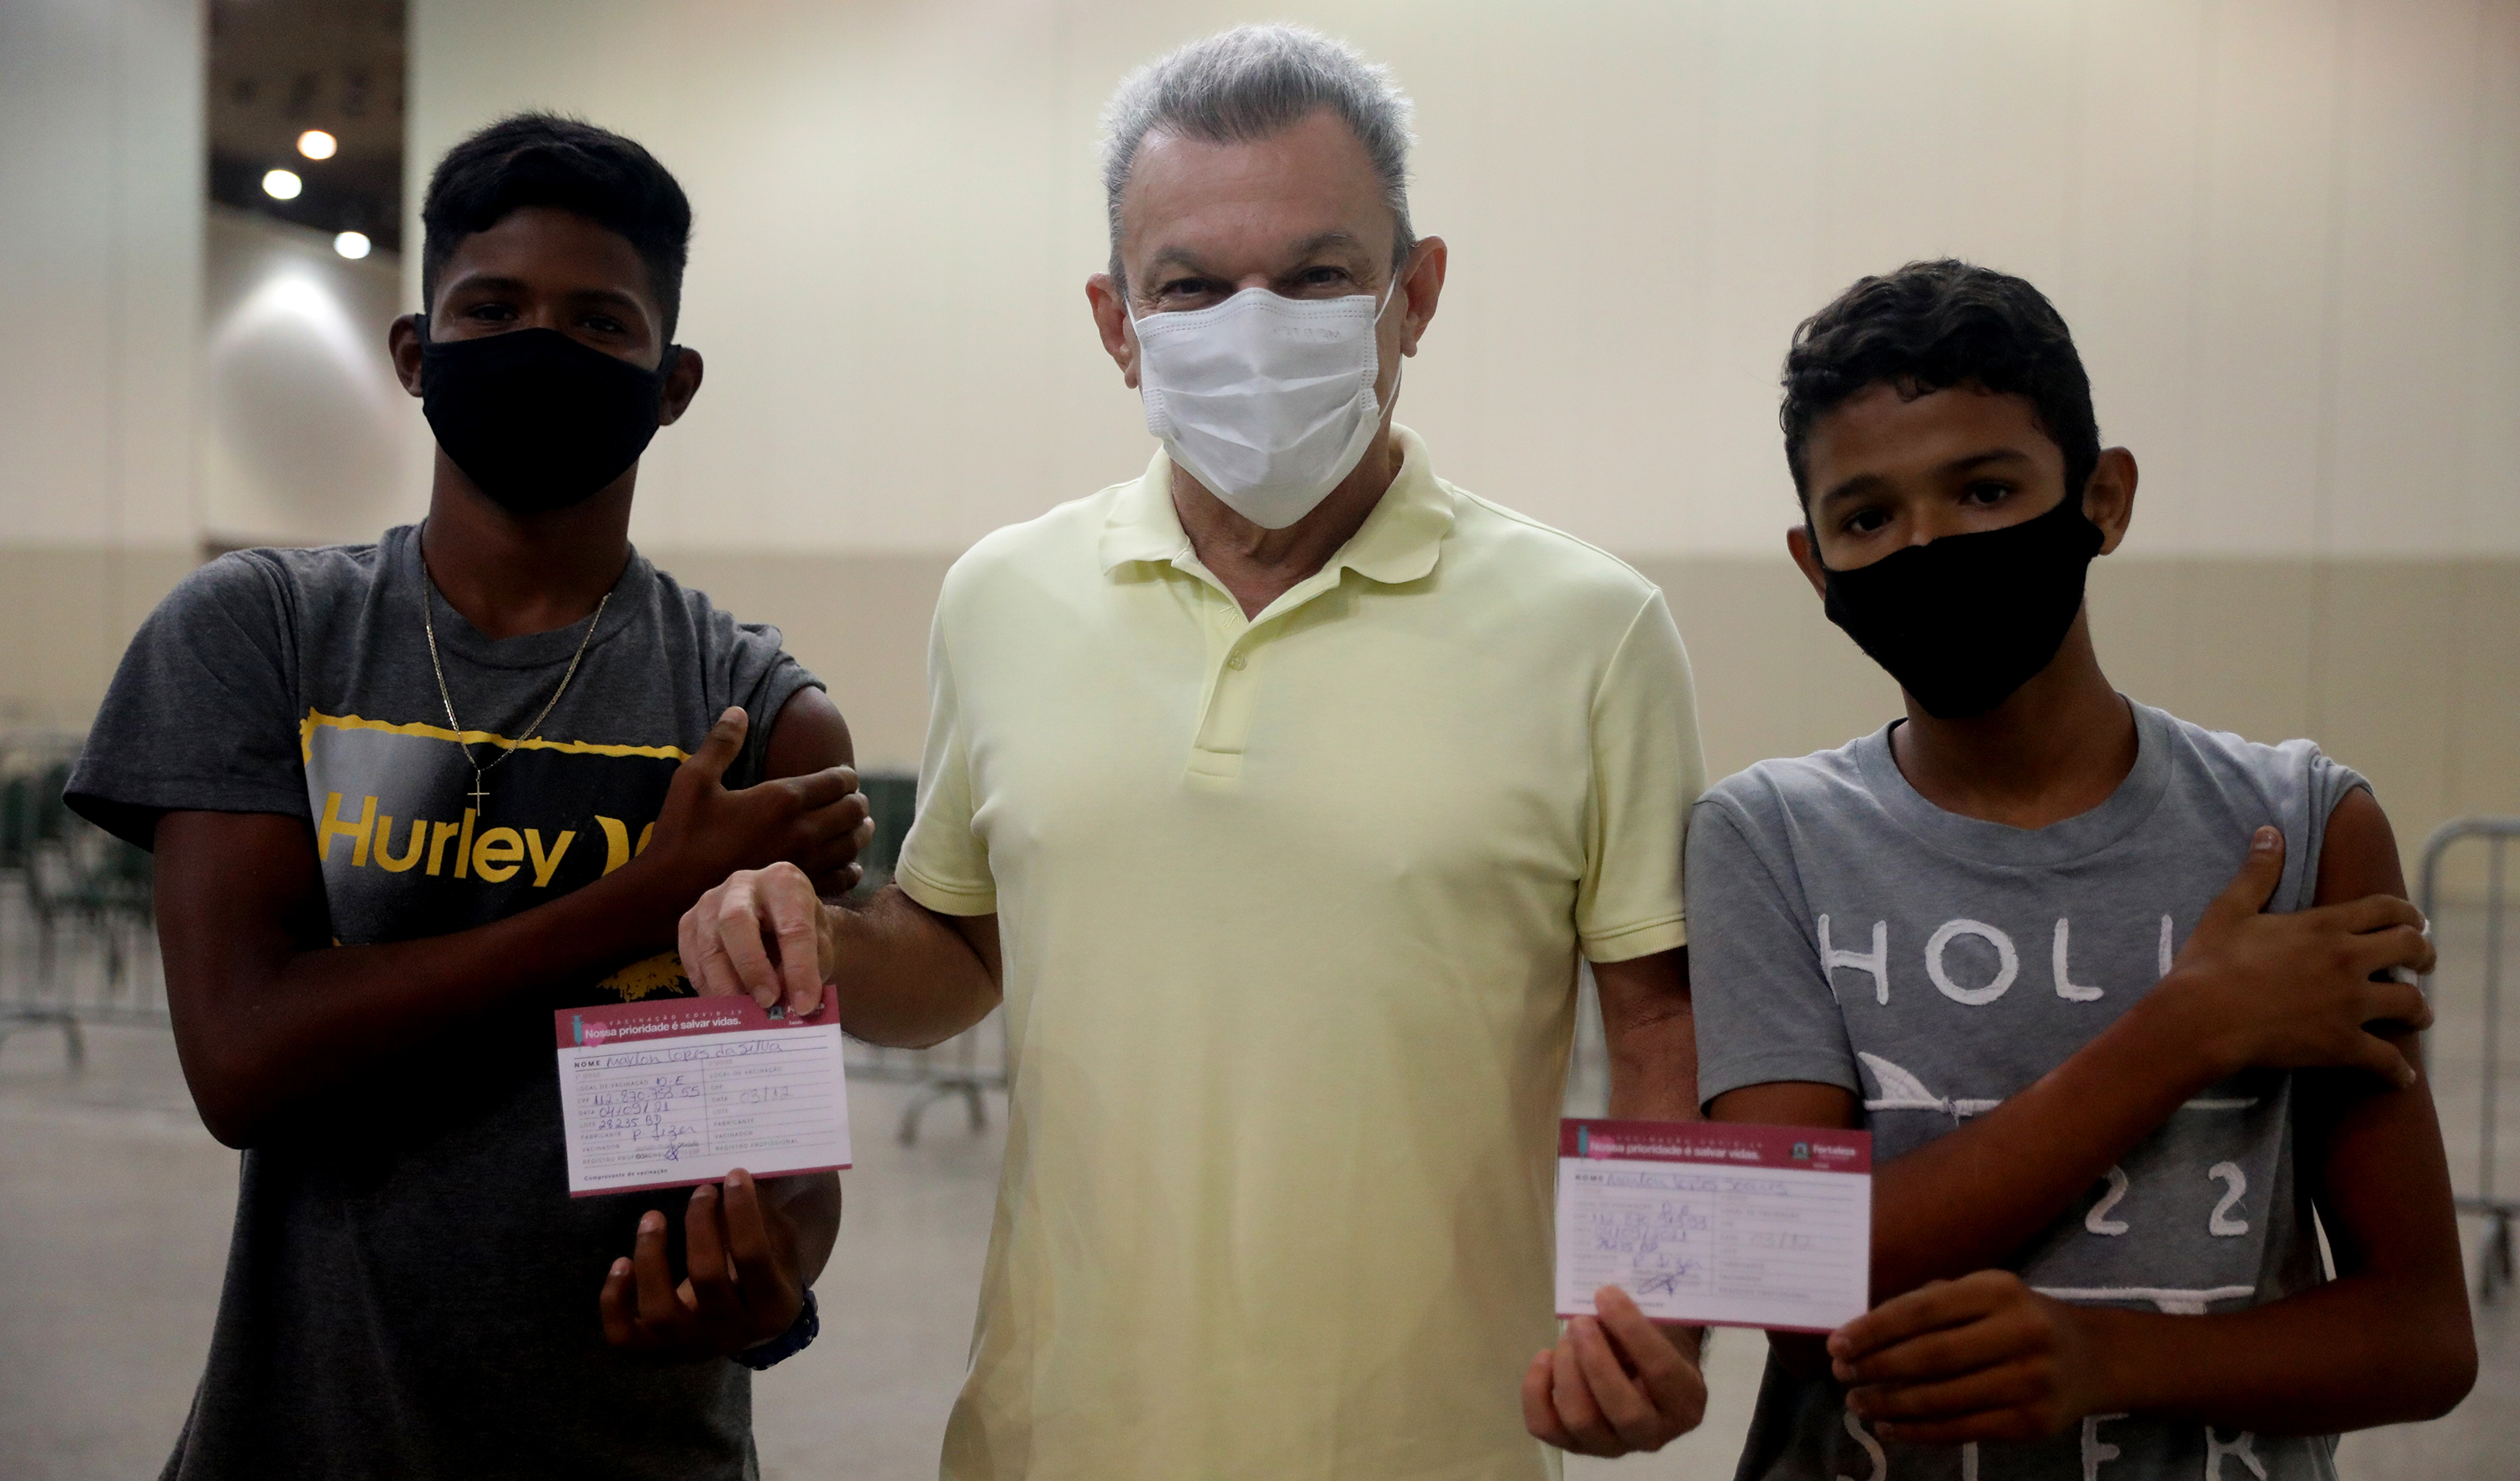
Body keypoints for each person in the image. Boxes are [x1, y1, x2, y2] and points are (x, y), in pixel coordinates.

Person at [681, 24, 1708, 1479]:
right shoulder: (1002, 597)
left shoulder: (1594, 630)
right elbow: (959, 958)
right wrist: (818, 947)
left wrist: (1660, 1316)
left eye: (1315, 276)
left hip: (1432, 1446)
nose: (1253, 323)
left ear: (1414, 297)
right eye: (1192, 286)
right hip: (1054, 1440)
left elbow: (1660, 1023)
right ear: (1116, 322)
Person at [1538, 259, 2476, 1476]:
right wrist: (2185, 1032)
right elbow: (1797, 1266)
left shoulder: (2298, 828)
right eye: (1867, 517)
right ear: (1815, 564)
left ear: (2104, 498)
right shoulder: (1768, 838)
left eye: (1985, 490)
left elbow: (2421, 1333)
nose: (1928, 543)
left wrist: (2111, 1362)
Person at [66, 114, 871, 1478]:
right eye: (493, 308)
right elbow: (244, 1058)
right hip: (305, 1438)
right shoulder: (264, 636)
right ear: (415, 354)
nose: (543, 346)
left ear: (670, 384)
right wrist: (638, 901)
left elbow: (783, 1145)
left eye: (599, 323)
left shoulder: (760, 715)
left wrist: (769, 1270)